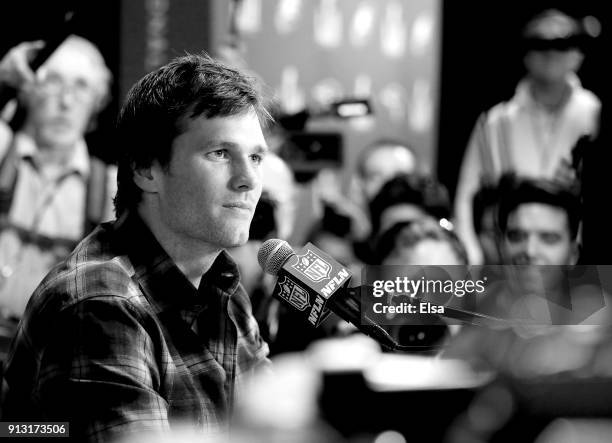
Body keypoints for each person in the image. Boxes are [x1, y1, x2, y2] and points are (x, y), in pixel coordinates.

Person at [2, 53, 271, 441]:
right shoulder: (100, 302)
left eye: (257, 157)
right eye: (220, 153)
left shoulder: (221, 282)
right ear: (146, 169)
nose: (248, 179)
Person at [454, 9, 601, 264]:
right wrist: (471, 252)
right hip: (508, 251)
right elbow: (466, 195)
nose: (551, 54)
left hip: (578, 255)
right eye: (539, 44)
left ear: (578, 54)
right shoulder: (496, 121)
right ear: (526, 54)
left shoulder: (595, 116)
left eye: (562, 44)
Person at [0, 36, 116, 319]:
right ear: (27, 89)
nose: (66, 101)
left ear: (97, 102)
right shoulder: (3, 151)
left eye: (81, 86)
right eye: (52, 81)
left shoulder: (110, 187)